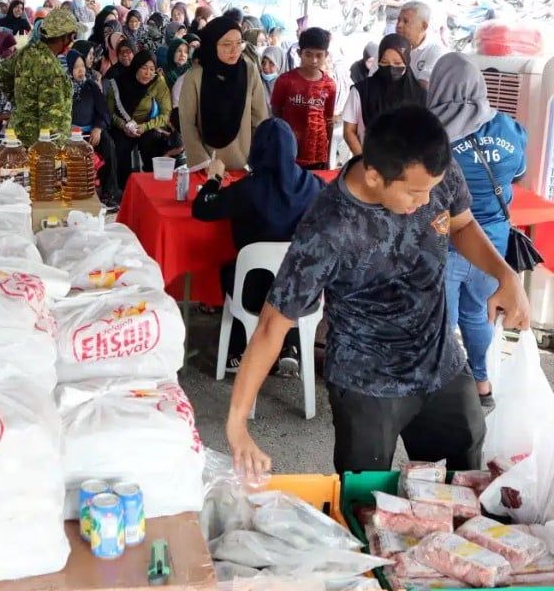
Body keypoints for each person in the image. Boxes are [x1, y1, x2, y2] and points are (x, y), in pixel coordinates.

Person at [225, 105, 530, 477]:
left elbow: (462, 225)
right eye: (415, 193)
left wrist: (506, 275)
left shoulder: (435, 170)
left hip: (440, 364)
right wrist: (238, 422)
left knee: (463, 482)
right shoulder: (328, 228)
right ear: (372, 175)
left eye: (432, 190)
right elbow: (274, 323)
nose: (425, 201)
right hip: (366, 382)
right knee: (366, 501)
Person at [428, 53, 528, 406]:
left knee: (444, 320)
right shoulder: (509, 128)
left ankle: (447, 394)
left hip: (451, 242)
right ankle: (482, 386)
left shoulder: (432, 136)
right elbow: (517, 174)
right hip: (495, 245)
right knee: (479, 313)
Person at [192, 118, 323, 371]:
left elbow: (203, 207)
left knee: (233, 273)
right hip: (301, 291)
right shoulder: (313, 185)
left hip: (253, 291)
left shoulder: (247, 189)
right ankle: (291, 346)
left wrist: (214, 178)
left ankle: (241, 348)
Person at [180, 17, 268, 174]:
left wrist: (257, 158)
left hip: (244, 166)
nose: (234, 50)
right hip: (207, 167)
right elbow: (187, 123)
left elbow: (260, 118)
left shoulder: (249, 71)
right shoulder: (195, 76)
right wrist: (205, 164)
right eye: (227, 44)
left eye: (239, 43)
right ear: (212, 44)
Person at [0, 8, 77, 147]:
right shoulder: (52, 69)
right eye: (72, 36)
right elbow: (51, 122)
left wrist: (21, 103)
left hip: (17, 135)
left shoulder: (27, 52)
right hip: (38, 146)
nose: (71, 41)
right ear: (64, 37)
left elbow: (0, 73)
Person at [343, 34, 426, 156]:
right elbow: (349, 131)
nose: (391, 68)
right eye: (385, 62)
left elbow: (423, 136)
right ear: (378, 61)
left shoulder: (420, 95)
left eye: (398, 63)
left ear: (407, 61)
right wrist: (362, 161)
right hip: (369, 162)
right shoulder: (361, 91)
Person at [270, 27, 336, 170]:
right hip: (289, 151)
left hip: (317, 155)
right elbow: (276, 113)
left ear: (326, 55)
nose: (314, 60)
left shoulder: (329, 85)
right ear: (300, 53)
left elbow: (328, 121)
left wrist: (328, 156)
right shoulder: (285, 81)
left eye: (319, 55)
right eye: (308, 54)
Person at [106, 50, 172, 189]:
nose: (148, 73)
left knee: (152, 142)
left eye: (152, 69)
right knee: (120, 147)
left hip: (146, 125)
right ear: (136, 66)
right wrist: (123, 125)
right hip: (122, 125)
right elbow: (108, 113)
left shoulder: (157, 82)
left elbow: (166, 114)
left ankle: (151, 186)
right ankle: (123, 189)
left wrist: (145, 127)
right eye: (144, 68)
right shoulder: (118, 84)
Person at [67, 49, 120, 207]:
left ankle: (109, 192)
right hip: (68, 132)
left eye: (82, 66)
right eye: (76, 67)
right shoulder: (62, 87)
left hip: (91, 130)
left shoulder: (91, 85)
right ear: (69, 68)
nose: (81, 70)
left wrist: (98, 128)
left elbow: (103, 111)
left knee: (109, 145)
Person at [397, 1, 445, 88]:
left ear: (423, 26)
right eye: (398, 20)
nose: (399, 25)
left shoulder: (435, 50)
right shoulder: (389, 46)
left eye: (405, 21)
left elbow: (422, 89)